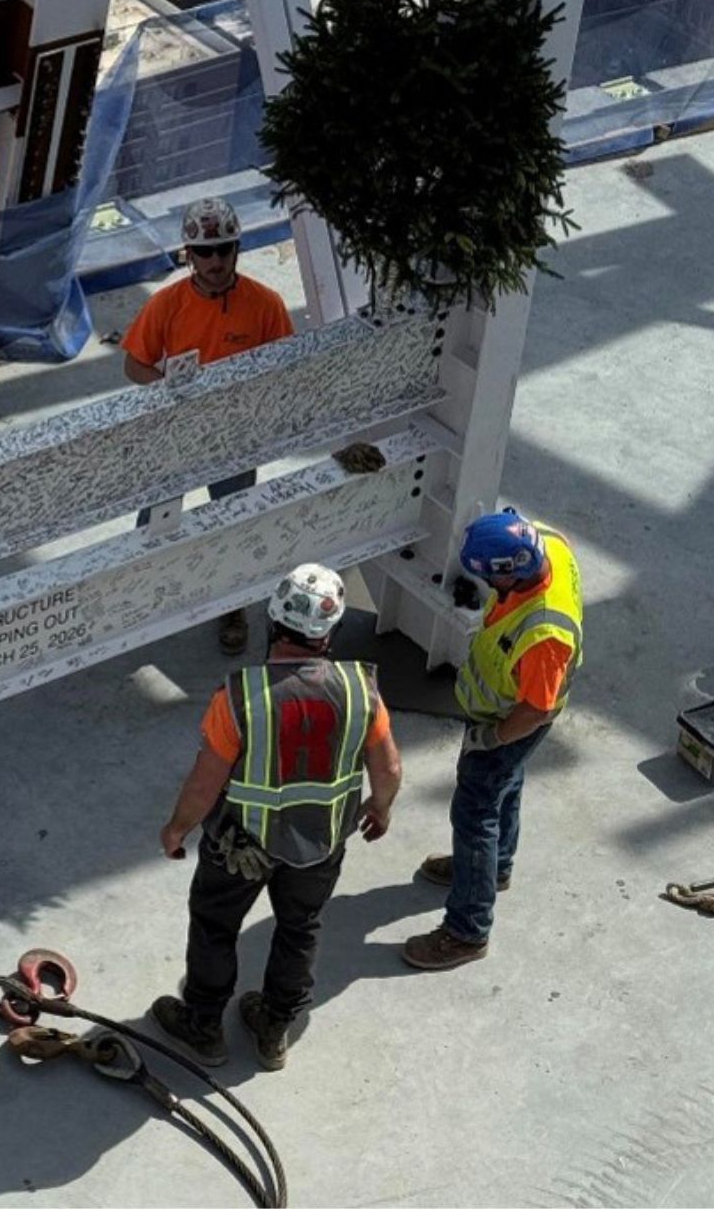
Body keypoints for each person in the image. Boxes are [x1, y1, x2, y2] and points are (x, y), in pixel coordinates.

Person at [149, 564, 403, 1070]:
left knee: (215, 925)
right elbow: (389, 767)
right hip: (322, 843)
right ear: (328, 633)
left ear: (273, 622)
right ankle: (273, 1026)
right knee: (300, 928)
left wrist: (178, 827)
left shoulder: (240, 696)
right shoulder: (360, 689)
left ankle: (203, 1025)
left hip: (239, 846)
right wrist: (381, 806)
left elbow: (206, 781)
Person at [403, 510, 582, 971]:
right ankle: (492, 867)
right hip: (505, 710)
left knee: (475, 809)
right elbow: (555, 533)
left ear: (509, 573)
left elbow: (536, 708)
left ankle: (467, 930)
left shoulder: (543, 636)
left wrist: (493, 737)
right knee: (506, 785)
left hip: (510, 719)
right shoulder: (549, 546)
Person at [122, 197, 295, 656]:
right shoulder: (168, 304)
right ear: (189, 255)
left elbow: (287, 366)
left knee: (233, 515)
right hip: (178, 432)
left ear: (237, 249)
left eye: (223, 249)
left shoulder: (264, 304)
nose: (215, 261)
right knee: (155, 517)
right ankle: (139, 593)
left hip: (235, 435)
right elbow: (136, 364)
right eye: (205, 251)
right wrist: (172, 391)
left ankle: (232, 604)